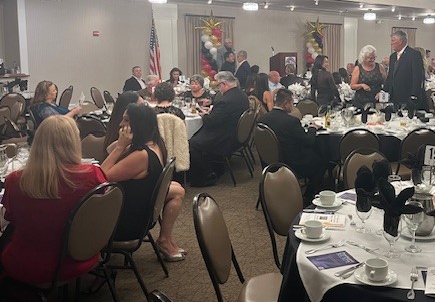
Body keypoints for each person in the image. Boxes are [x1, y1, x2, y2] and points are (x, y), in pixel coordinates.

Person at [0, 116, 107, 285]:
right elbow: (102, 215)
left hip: (27, 263)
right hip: (80, 256)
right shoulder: (93, 175)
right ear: (74, 142)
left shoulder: (15, 180)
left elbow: (10, 219)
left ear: (38, 142)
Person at [101, 104, 185, 261]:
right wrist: (122, 143)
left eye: (126, 120)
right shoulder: (156, 143)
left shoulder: (141, 155)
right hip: (141, 215)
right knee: (178, 190)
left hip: (125, 225)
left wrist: (120, 147)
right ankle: (166, 240)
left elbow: (100, 177)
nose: (121, 124)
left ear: (138, 124)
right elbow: (109, 149)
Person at [260, 88, 326, 204]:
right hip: (290, 163)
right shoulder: (291, 122)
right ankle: (308, 196)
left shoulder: (262, 120)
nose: (293, 106)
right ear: (286, 104)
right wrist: (313, 128)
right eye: (292, 103)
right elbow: (308, 141)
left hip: (269, 161)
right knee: (322, 161)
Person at [188, 71, 249, 187]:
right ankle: (214, 167)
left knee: (192, 143)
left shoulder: (225, 100)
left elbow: (211, 122)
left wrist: (204, 116)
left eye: (218, 85)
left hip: (226, 137)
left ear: (224, 84)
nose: (218, 89)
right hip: (237, 134)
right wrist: (213, 112)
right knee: (197, 137)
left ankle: (206, 176)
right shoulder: (242, 95)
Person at [386, 30, 425, 107]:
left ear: (400, 41)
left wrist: (414, 95)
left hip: (408, 96)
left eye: (393, 41)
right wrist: (384, 91)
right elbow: (390, 76)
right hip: (394, 97)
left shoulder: (414, 54)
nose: (391, 43)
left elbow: (417, 76)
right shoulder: (393, 56)